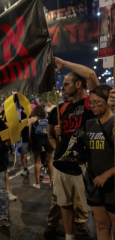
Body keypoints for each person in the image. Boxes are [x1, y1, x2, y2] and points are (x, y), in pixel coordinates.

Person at [52, 57, 99, 240]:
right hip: (62, 162)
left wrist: (64, 64)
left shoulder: (90, 102)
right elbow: (62, 133)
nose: (62, 88)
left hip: (83, 162)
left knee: (92, 205)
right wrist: (58, 132)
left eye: (66, 84)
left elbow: (91, 74)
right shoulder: (64, 108)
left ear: (78, 84)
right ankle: (69, 237)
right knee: (65, 203)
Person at [45, 91, 88, 239]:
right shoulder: (57, 110)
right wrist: (60, 149)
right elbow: (50, 136)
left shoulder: (85, 107)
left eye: (67, 89)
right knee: (59, 198)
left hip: (81, 161)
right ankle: (53, 223)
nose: (64, 93)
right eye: (62, 91)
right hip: (61, 162)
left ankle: (81, 225)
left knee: (81, 199)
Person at [85, 85, 115, 240]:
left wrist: (107, 174)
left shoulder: (114, 123)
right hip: (94, 183)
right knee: (101, 225)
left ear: (107, 101)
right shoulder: (89, 124)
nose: (93, 106)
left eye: (97, 102)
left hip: (113, 185)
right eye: (91, 102)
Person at [0, 102, 17, 201]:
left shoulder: (6, 113)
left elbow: (13, 128)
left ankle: (7, 192)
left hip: (3, 147)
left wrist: (7, 125)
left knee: (4, 170)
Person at [29, 105, 53, 189]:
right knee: (49, 161)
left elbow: (30, 133)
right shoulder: (47, 117)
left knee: (37, 162)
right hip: (47, 140)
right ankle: (51, 181)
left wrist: (30, 144)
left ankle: (37, 183)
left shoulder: (32, 119)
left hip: (37, 140)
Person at [20, 108, 30, 177]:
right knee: (24, 154)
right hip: (23, 138)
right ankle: (25, 169)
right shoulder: (20, 115)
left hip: (32, 138)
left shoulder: (32, 115)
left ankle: (43, 169)